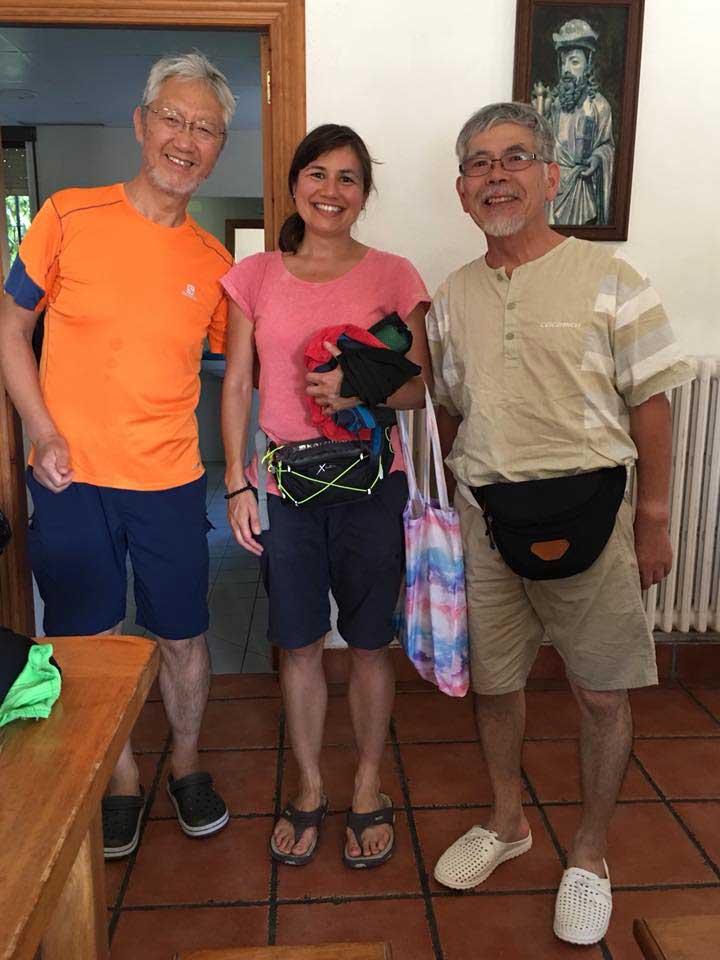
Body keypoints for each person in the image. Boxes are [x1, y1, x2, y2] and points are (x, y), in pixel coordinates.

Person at [427, 101, 693, 945]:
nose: (496, 176)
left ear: (550, 176)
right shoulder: (451, 296)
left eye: (514, 158)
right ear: (462, 190)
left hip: (595, 518)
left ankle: (588, 854)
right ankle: (508, 822)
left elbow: (652, 404)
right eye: (478, 163)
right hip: (489, 523)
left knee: (600, 693)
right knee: (496, 684)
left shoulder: (612, 277)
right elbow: (449, 407)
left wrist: (655, 519)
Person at [0, 52, 236, 859]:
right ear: (141, 124)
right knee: (92, 639)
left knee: (183, 636)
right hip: (72, 481)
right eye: (172, 117)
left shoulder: (215, 266)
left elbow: (238, 367)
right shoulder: (69, 215)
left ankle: (188, 765)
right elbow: (10, 326)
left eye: (205, 128)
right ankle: (122, 776)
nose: (185, 138)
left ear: (218, 148)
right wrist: (42, 430)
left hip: (170, 482)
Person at [220, 124, 431, 868]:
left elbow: (418, 387)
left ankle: (368, 783)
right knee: (300, 644)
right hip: (287, 488)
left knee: (370, 645)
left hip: (371, 485)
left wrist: (355, 389)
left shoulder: (395, 276)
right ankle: (309, 784)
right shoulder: (254, 276)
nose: (331, 190)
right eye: (317, 173)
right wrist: (236, 479)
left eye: (348, 178)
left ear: (365, 194)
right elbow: (238, 383)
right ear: (295, 184)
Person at [546, 19, 614, 225]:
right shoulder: (553, 106)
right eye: (563, 62)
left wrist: (597, 158)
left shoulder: (599, 106)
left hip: (583, 195)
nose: (566, 69)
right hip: (552, 193)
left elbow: (607, 147)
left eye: (574, 62)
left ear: (588, 66)